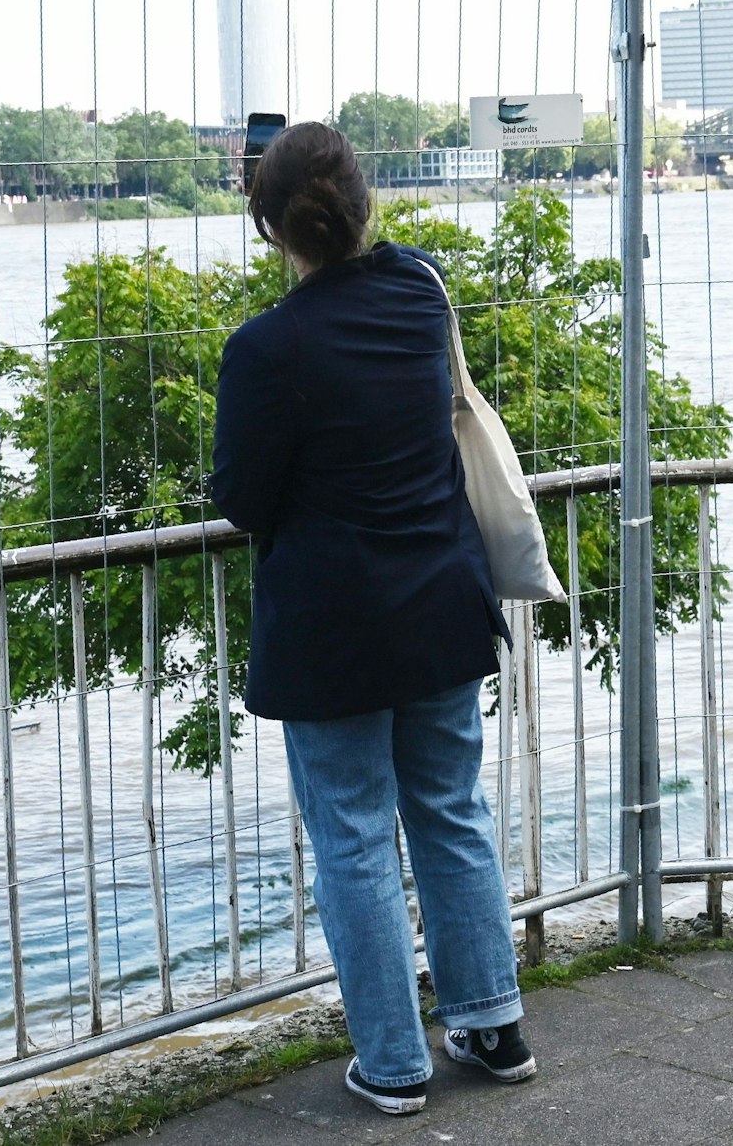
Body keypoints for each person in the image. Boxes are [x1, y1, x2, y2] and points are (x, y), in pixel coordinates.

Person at [211, 121, 536, 1116]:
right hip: (439, 604)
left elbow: (242, 497)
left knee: (352, 835)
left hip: (331, 631)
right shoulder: (420, 291)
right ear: (364, 203)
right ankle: (491, 1024)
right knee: (450, 811)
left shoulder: (266, 349)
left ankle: (393, 1064)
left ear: (271, 227)